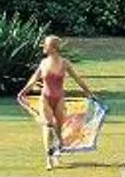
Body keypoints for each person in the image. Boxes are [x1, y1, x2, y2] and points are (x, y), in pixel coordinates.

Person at [21, 34, 93, 166]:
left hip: (59, 98)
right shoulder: (43, 63)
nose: (44, 47)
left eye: (46, 45)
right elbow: (33, 79)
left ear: (53, 48)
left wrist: (89, 93)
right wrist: (23, 92)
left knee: (59, 128)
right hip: (46, 98)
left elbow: (77, 79)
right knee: (48, 125)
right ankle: (48, 157)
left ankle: (57, 149)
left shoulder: (64, 63)